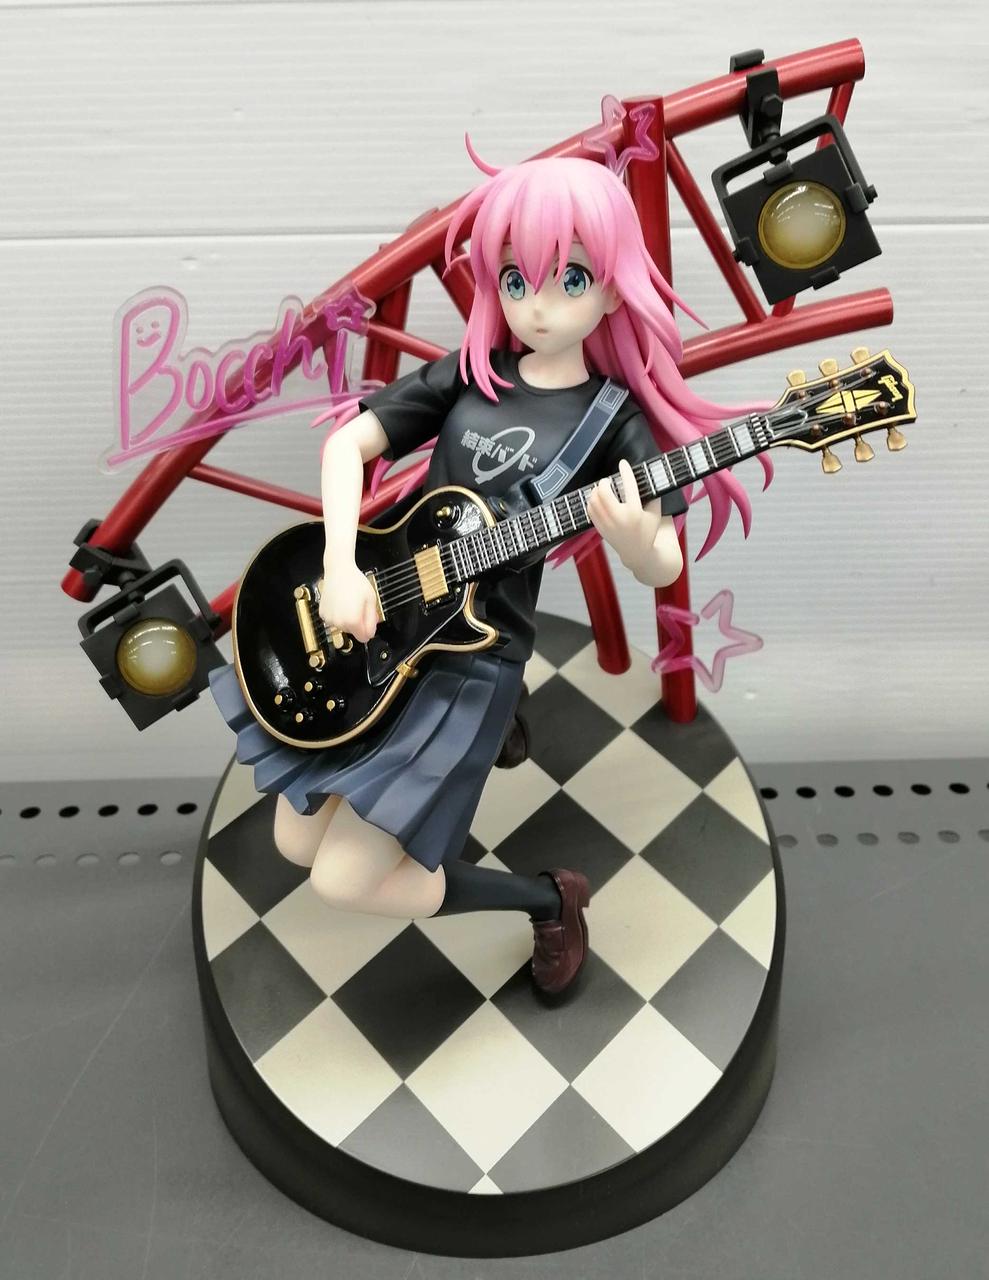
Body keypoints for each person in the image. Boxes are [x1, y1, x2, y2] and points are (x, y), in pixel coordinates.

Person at [208, 145, 771, 997]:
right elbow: (346, 446)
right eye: (514, 279)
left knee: (342, 880)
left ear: (612, 288)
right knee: (294, 841)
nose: (537, 305)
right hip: (381, 627)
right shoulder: (473, 375)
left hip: (469, 663)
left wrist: (632, 541)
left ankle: (549, 900)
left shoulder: (612, 421)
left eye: (569, 279)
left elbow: (664, 560)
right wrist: (340, 567)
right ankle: (432, 793)